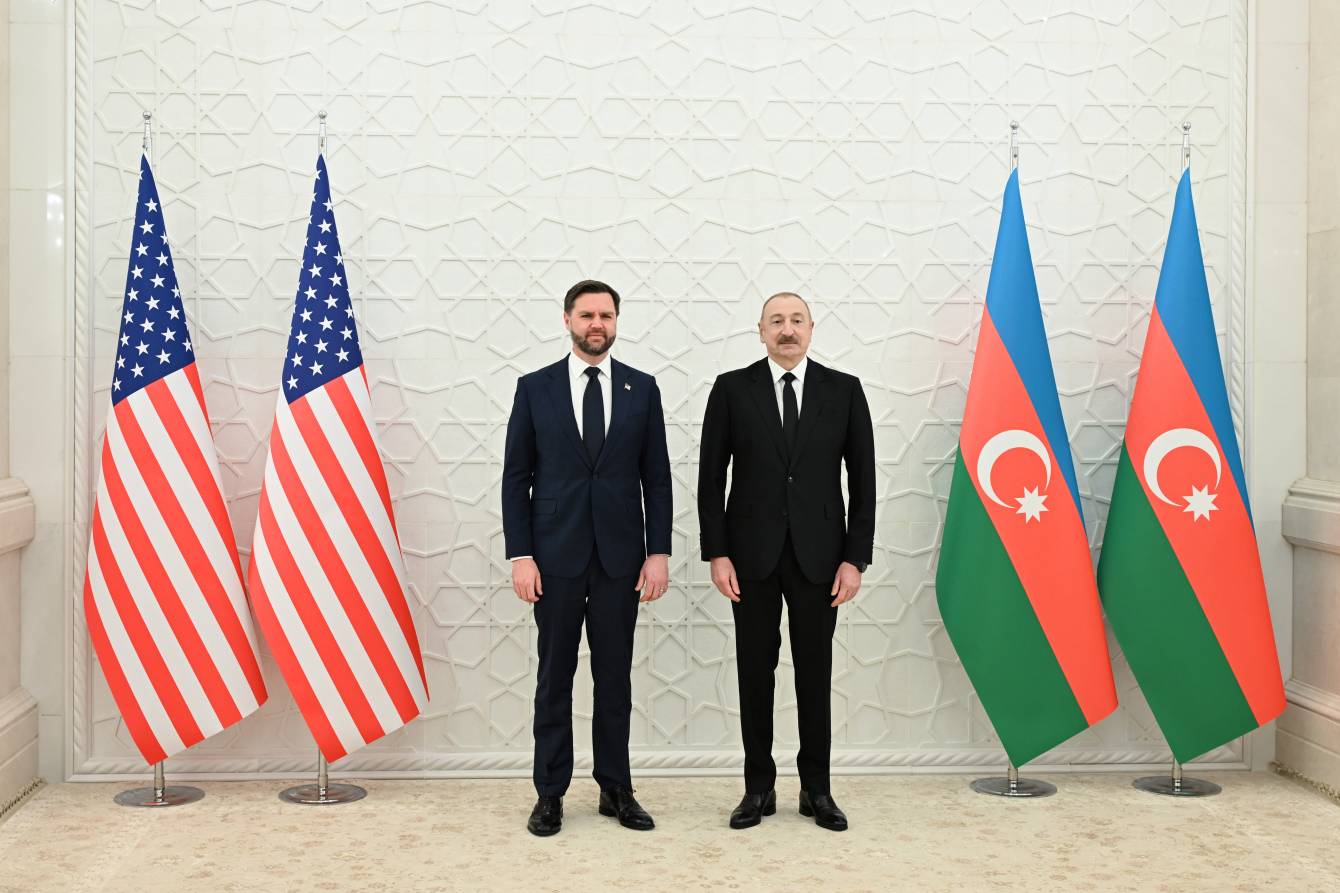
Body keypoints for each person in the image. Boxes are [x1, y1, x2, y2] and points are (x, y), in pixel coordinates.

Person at [697, 291, 875, 832]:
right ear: (761, 331)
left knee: (814, 675)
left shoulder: (844, 390)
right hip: (749, 558)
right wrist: (717, 552)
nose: (787, 329)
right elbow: (711, 479)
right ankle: (758, 787)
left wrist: (855, 559)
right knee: (755, 673)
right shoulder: (732, 389)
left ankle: (816, 789)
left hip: (821, 560)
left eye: (796, 320)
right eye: (776, 321)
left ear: (811, 328)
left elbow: (863, 483)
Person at [502, 279, 672, 837]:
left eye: (606, 315)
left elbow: (657, 478)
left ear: (616, 321)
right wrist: (521, 554)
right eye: (586, 315)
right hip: (553, 559)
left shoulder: (642, 389)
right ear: (567, 320)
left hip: (621, 560)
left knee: (614, 679)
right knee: (554, 677)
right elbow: (516, 477)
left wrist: (658, 552)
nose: (596, 323)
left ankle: (615, 788)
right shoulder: (535, 388)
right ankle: (549, 793)